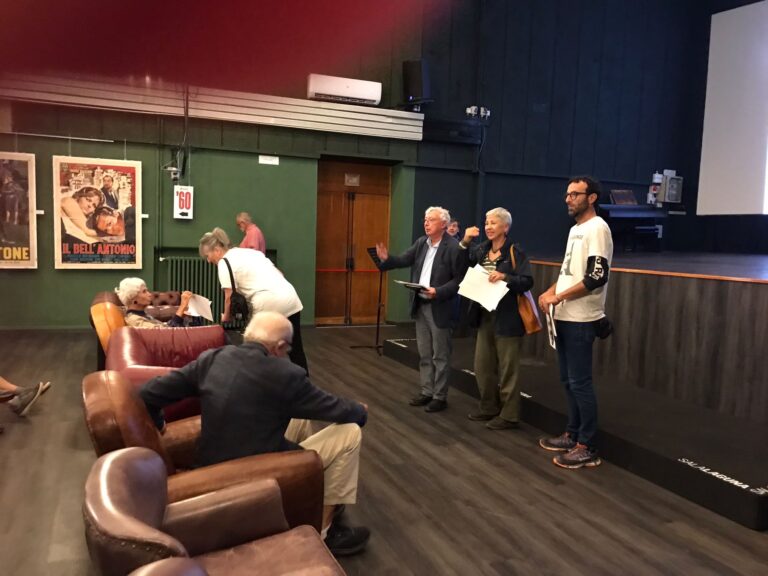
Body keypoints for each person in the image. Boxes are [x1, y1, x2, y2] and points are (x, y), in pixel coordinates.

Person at [139, 311, 371, 556]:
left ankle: (306, 494)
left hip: (209, 463)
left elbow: (147, 393)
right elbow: (338, 410)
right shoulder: (285, 374)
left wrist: (159, 422)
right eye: (286, 350)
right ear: (279, 347)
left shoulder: (213, 358)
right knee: (349, 433)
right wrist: (360, 409)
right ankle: (325, 531)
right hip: (254, 471)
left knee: (298, 413)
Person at [537, 176, 613, 469]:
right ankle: (573, 433)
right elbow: (569, 272)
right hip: (565, 316)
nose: (568, 199)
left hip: (582, 318)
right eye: (567, 194)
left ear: (591, 198)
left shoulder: (598, 228)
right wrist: (550, 292)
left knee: (580, 382)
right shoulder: (575, 230)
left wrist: (559, 297)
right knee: (567, 380)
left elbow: (596, 277)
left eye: (575, 194)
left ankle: (587, 445)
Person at [375, 206, 467, 413]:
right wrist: (387, 258)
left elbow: (460, 279)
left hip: (440, 306)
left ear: (443, 224)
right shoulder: (421, 243)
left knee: (440, 355)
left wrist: (439, 291)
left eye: (431, 220)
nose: (426, 223)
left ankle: (440, 396)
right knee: (425, 353)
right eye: (425, 219)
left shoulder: (453, 247)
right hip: (421, 304)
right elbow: (403, 260)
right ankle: (427, 391)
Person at [460, 208, 534, 430]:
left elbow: (527, 281)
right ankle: (489, 407)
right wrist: (465, 241)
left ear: (506, 227)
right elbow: (461, 264)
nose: (488, 227)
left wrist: (505, 277)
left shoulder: (515, 251)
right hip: (484, 314)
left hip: (508, 318)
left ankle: (509, 415)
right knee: (482, 366)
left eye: (493, 223)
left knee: (508, 369)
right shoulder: (481, 249)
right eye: (486, 223)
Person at [198, 227, 308, 372]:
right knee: (295, 349)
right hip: (290, 297)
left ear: (217, 250)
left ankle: (257, 381)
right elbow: (280, 273)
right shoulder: (249, 253)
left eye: (208, 256)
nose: (208, 260)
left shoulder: (224, 263)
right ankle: (303, 381)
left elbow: (229, 297)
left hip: (267, 303)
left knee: (255, 350)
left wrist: (225, 318)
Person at [115, 278, 193, 328]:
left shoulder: (142, 315)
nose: (149, 294)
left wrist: (182, 314)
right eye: (144, 292)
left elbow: (164, 326)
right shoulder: (134, 320)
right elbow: (166, 333)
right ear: (133, 299)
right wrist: (182, 307)